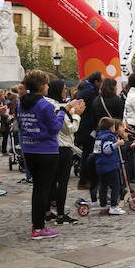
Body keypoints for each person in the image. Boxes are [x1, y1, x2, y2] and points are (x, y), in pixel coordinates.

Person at [18, 70, 83, 239]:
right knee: (43, 190)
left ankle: (37, 224)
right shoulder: (45, 105)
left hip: (29, 149)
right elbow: (54, 128)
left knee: (37, 189)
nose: (47, 87)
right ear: (41, 86)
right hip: (46, 150)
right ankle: (38, 228)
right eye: (46, 84)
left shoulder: (22, 103)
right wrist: (64, 111)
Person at [46, 80, 81, 225]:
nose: (65, 91)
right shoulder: (58, 106)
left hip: (51, 147)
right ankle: (60, 214)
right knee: (62, 182)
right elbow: (69, 128)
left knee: (51, 182)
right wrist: (77, 115)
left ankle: (47, 212)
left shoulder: (47, 104)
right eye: (64, 89)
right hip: (63, 147)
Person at [74, 72, 102, 190]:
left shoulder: (86, 90)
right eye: (102, 81)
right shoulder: (89, 93)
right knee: (88, 154)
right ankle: (85, 180)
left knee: (88, 154)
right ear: (96, 82)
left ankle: (86, 179)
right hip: (87, 129)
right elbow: (91, 112)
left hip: (85, 128)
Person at [95, 117, 126, 214]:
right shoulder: (109, 137)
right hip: (110, 165)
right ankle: (113, 206)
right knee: (115, 186)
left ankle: (103, 203)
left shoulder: (99, 137)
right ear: (111, 127)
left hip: (101, 165)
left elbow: (96, 151)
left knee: (103, 186)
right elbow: (107, 149)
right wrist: (117, 144)